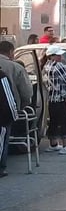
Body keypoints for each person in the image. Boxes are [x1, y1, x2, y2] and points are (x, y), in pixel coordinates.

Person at [0, 41, 33, 176]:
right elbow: (26, 92)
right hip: (6, 109)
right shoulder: (15, 68)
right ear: (11, 52)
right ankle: (2, 166)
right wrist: (21, 107)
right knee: (4, 137)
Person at [42, 45, 66, 154]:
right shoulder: (57, 65)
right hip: (59, 98)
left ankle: (53, 143)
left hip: (51, 99)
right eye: (58, 55)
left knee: (54, 122)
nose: (60, 57)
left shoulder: (46, 65)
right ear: (52, 56)